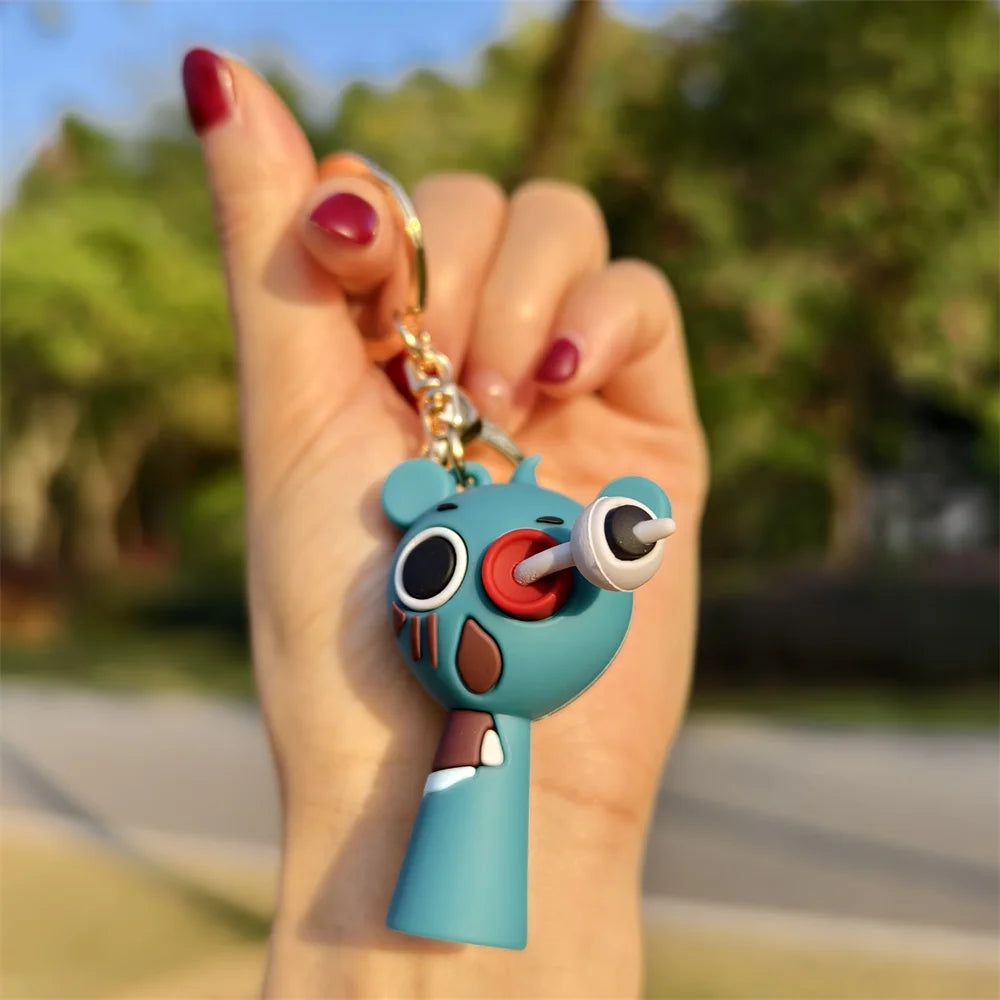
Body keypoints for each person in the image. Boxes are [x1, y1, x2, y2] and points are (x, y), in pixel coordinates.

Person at [182, 47, 707, 999]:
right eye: (434, 564)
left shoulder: (566, 573)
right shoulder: (450, 524)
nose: (525, 571)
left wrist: (579, 857)